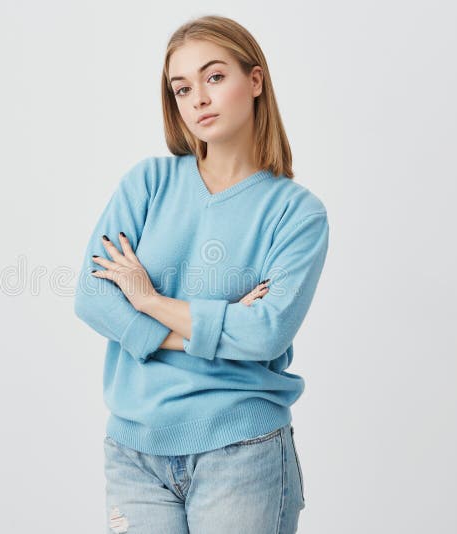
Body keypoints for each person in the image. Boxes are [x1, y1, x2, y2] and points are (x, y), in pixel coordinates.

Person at [73, 14, 329, 534]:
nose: (198, 100)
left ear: (255, 81)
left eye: (214, 78)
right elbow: (92, 297)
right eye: (182, 88)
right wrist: (208, 325)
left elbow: (266, 332)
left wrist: (148, 301)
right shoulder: (148, 183)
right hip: (134, 453)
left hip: (242, 450)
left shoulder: (296, 213)